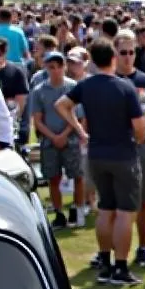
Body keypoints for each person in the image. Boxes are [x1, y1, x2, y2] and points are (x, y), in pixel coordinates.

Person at [54, 38, 145, 287]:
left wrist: (80, 131)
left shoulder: (85, 86)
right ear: (113, 58)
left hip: (97, 154)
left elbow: (61, 105)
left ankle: (105, 263)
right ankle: (121, 267)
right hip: (123, 154)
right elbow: (140, 128)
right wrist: (138, 140)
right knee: (126, 212)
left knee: (106, 209)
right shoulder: (125, 87)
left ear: (92, 60)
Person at [114, 32, 145, 267]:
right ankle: (114, 252)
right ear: (114, 54)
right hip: (114, 147)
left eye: (131, 52)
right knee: (113, 203)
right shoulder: (107, 80)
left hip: (141, 146)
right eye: (123, 52)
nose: (127, 57)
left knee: (144, 200)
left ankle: (143, 248)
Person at [31, 51, 84, 229]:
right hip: (49, 141)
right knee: (53, 177)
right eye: (51, 67)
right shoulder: (39, 91)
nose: (56, 70)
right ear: (46, 67)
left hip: (71, 139)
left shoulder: (73, 87)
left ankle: (77, 210)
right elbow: (37, 120)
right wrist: (53, 137)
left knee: (77, 176)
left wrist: (65, 134)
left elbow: (79, 116)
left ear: (64, 67)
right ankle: (59, 213)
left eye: (59, 66)